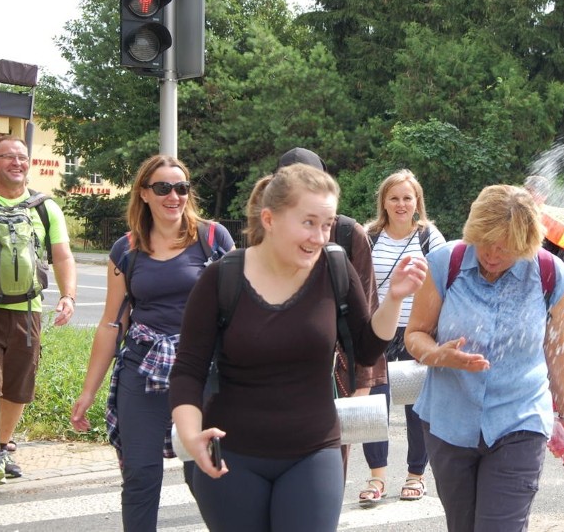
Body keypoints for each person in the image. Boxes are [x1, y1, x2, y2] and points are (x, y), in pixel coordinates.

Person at [169, 163, 427, 531]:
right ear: (270, 219)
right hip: (233, 454)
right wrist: (192, 435)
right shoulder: (222, 277)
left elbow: (367, 351)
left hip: (313, 451)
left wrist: (395, 299)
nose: (320, 236)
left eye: (327, 224)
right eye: (308, 223)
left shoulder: (335, 268)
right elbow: (187, 371)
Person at [70, 155, 234, 530]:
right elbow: (113, 323)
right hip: (143, 368)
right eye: (163, 188)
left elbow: (239, 307)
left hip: (203, 369)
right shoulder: (125, 250)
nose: (174, 196)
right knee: (141, 475)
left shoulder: (212, 238)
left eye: (181, 188)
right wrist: (88, 391)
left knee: (208, 474)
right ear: (144, 193)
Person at [405, 184, 564, 531]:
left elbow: (556, 349)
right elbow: (415, 335)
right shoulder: (444, 264)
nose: (492, 253)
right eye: (485, 241)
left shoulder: (549, 275)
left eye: (507, 247)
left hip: (520, 420)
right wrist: (440, 355)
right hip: (449, 422)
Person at [276, 147, 381, 478]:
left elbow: (367, 308)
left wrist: (364, 380)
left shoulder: (349, 234)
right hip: (276, 371)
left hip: (337, 369)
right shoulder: (267, 229)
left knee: (329, 468)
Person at [0, 135, 77, 486]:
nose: (17, 162)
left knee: (18, 385)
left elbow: (63, 255)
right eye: (7, 156)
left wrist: (68, 295)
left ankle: (2, 448)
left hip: (28, 309)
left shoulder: (45, 207)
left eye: (22, 156)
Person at [357, 169, 446, 505]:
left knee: (415, 408)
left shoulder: (430, 238)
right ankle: (376, 477)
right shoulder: (369, 236)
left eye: (407, 198)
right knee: (374, 405)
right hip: (378, 333)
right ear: (384, 201)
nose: (400, 204)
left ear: (417, 202)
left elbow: (443, 281)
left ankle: (415, 475)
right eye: (394, 197)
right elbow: (358, 287)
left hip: (416, 333)